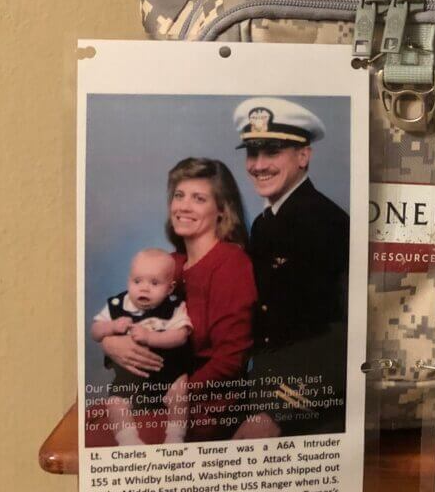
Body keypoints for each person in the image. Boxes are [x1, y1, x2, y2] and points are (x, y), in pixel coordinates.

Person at [98, 158, 257, 442]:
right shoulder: (169, 266)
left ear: (221, 210)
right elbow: (128, 315)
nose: (183, 206)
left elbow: (231, 359)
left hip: (206, 414)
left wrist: (179, 394)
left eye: (198, 198)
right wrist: (111, 344)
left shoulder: (231, 264)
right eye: (179, 195)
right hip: (153, 400)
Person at [232, 98, 349, 437]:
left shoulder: (327, 223)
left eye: (272, 152)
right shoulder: (266, 223)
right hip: (264, 391)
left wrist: (279, 411)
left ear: (303, 155)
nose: (258, 165)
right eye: (252, 153)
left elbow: (342, 329)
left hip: (309, 404)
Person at [91, 248, 192, 445]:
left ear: (170, 288)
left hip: (166, 373)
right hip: (129, 376)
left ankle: (175, 436)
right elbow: (94, 332)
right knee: (115, 403)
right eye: (137, 281)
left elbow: (181, 336)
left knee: (181, 388)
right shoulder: (118, 304)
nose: (144, 289)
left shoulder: (174, 306)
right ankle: (128, 440)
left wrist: (150, 338)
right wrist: (110, 326)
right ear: (129, 280)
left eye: (154, 283)